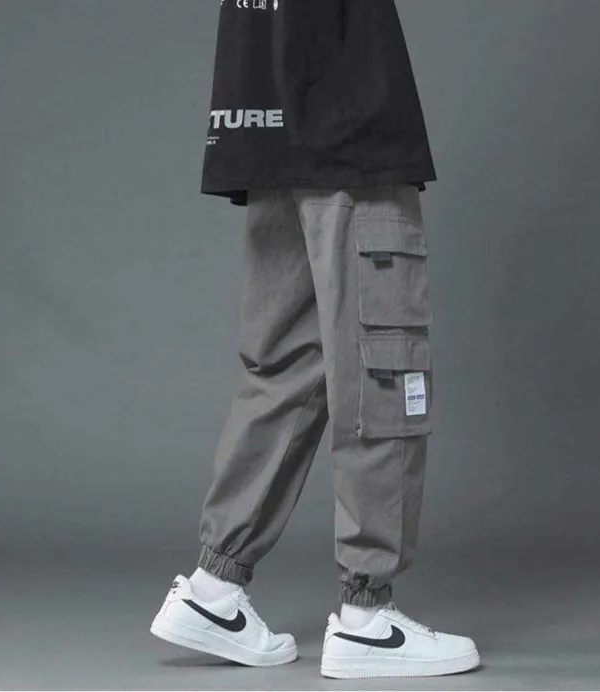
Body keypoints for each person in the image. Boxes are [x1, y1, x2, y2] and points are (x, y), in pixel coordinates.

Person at [150, 0, 480, 679]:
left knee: (287, 369)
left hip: (265, 127)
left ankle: (214, 589)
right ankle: (367, 619)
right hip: (348, 131)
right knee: (382, 368)